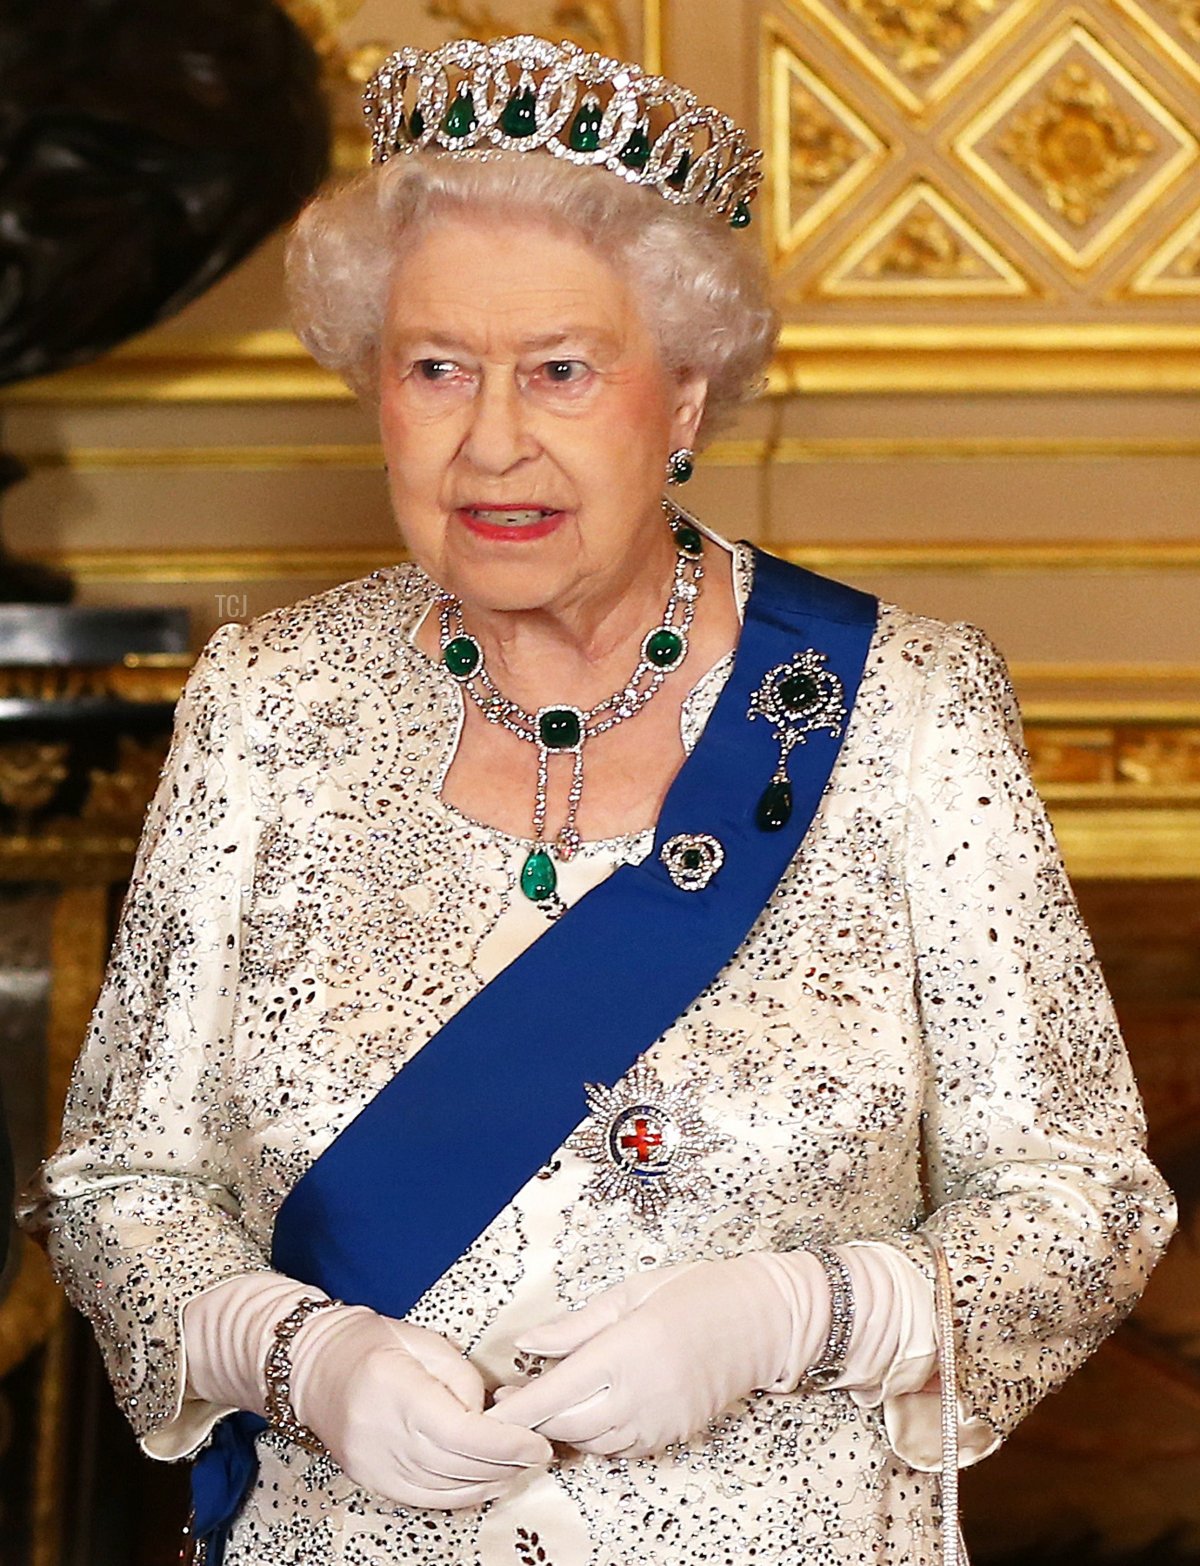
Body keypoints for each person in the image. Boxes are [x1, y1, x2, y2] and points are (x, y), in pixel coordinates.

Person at [17, 34, 1174, 1566]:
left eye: (562, 368)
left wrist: (801, 1312)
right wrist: (293, 1353)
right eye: (436, 368)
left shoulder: (897, 709)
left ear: (684, 393)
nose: (493, 440)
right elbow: (117, 1185)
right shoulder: (265, 706)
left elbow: (1083, 1200)